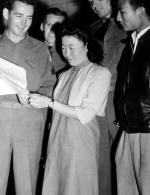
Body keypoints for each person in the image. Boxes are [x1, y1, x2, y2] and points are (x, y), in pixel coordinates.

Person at [0, 0, 56, 194]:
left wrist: (37, 97)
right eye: (19, 16)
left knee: (27, 183)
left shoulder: (41, 49)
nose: (24, 23)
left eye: (29, 18)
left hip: (29, 117)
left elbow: (50, 85)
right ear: (6, 14)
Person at [29, 26, 111, 195]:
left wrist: (50, 102)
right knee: (55, 185)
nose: (66, 53)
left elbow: (85, 114)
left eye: (72, 48)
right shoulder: (64, 75)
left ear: (87, 46)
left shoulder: (100, 73)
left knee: (77, 187)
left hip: (80, 144)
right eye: (63, 48)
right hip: (57, 142)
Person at [88, 0, 127, 194]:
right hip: (97, 98)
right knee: (100, 155)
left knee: (123, 155)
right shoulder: (92, 28)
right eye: (90, 1)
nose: (94, 4)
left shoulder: (126, 27)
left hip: (119, 98)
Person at [115, 0, 150, 194]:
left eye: (122, 12)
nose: (118, 18)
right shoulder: (131, 45)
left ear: (140, 11)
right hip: (127, 130)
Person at [40, 7, 69, 75]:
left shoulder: (69, 56)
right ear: (42, 26)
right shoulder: (32, 51)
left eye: (57, 26)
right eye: (49, 25)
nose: (52, 30)